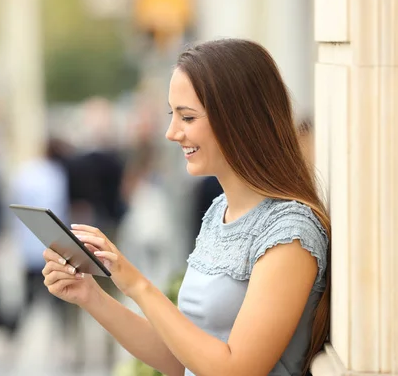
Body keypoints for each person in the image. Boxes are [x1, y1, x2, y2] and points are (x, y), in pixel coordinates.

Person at [40, 39, 331, 376]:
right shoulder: (219, 211)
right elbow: (180, 360)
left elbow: (237, 370)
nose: (171, 133)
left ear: (237, 119)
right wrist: (89, 295)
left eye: (187, 117)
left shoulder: (291, 232)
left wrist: (135, 283)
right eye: (172, 115)